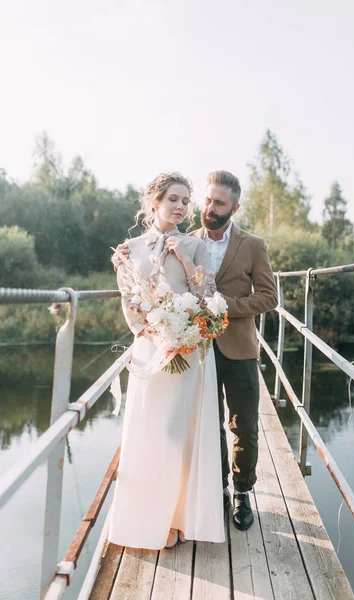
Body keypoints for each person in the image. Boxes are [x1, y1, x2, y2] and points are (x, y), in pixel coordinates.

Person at [113, 170, 278, 532]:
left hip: (237, 347)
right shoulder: (186, 240)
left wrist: (220, 307)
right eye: (205, 200)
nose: (207, 207)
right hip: (191, 348)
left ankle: (243, 493)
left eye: (218, 203)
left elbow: (269, 297)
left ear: (234, 208)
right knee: (204, 424)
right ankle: (214, 488)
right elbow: (157, 285)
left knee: (244, 425)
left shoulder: (253, 245)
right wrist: (125, 264)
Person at [108, 172, 224, 551]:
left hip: (189, 352)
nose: (180, 206)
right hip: (152, 350)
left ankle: (177, 518)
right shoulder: (130, 248)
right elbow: (129, 301)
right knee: (152, 431)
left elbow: (208, 296)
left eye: (185, 201)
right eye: (173, 198)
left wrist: (183, 259)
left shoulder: (196, 244)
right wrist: (155, 335)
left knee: (179, 433)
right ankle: (146, 518)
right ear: (154, 202)